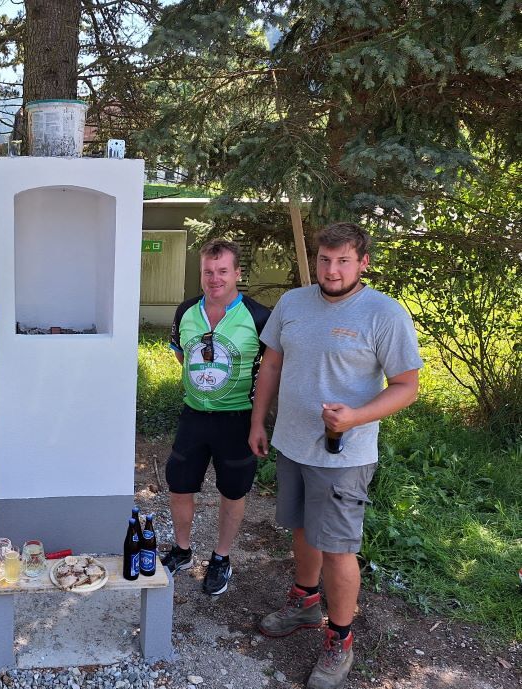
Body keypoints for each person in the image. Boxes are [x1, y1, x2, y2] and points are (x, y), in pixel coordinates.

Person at [248, 222, 422, 689]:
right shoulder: (293, 303)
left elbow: (407, 386)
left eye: (344, 261)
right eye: (325, 259)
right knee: (303, 528)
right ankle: (305, 602)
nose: (332, 270)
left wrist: (356, 417)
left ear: (363, 262)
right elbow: (272, 363)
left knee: (339, 549)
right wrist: (258, 422)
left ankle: (340, 639)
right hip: (292, 444)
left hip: (344, 456)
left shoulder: (383, 314)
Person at [160, 239, 270, 596]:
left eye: (223, 271)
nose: (214, 278)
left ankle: (221, 557)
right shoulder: (186, 311)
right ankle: (182, 550)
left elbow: (270, 370)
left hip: (237, 419)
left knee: (232, 490)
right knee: (179, 484)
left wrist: (258, 423)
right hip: (194, 414)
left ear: (238, 273)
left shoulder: (258, 316)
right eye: (208, 271)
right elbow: (182, 355)